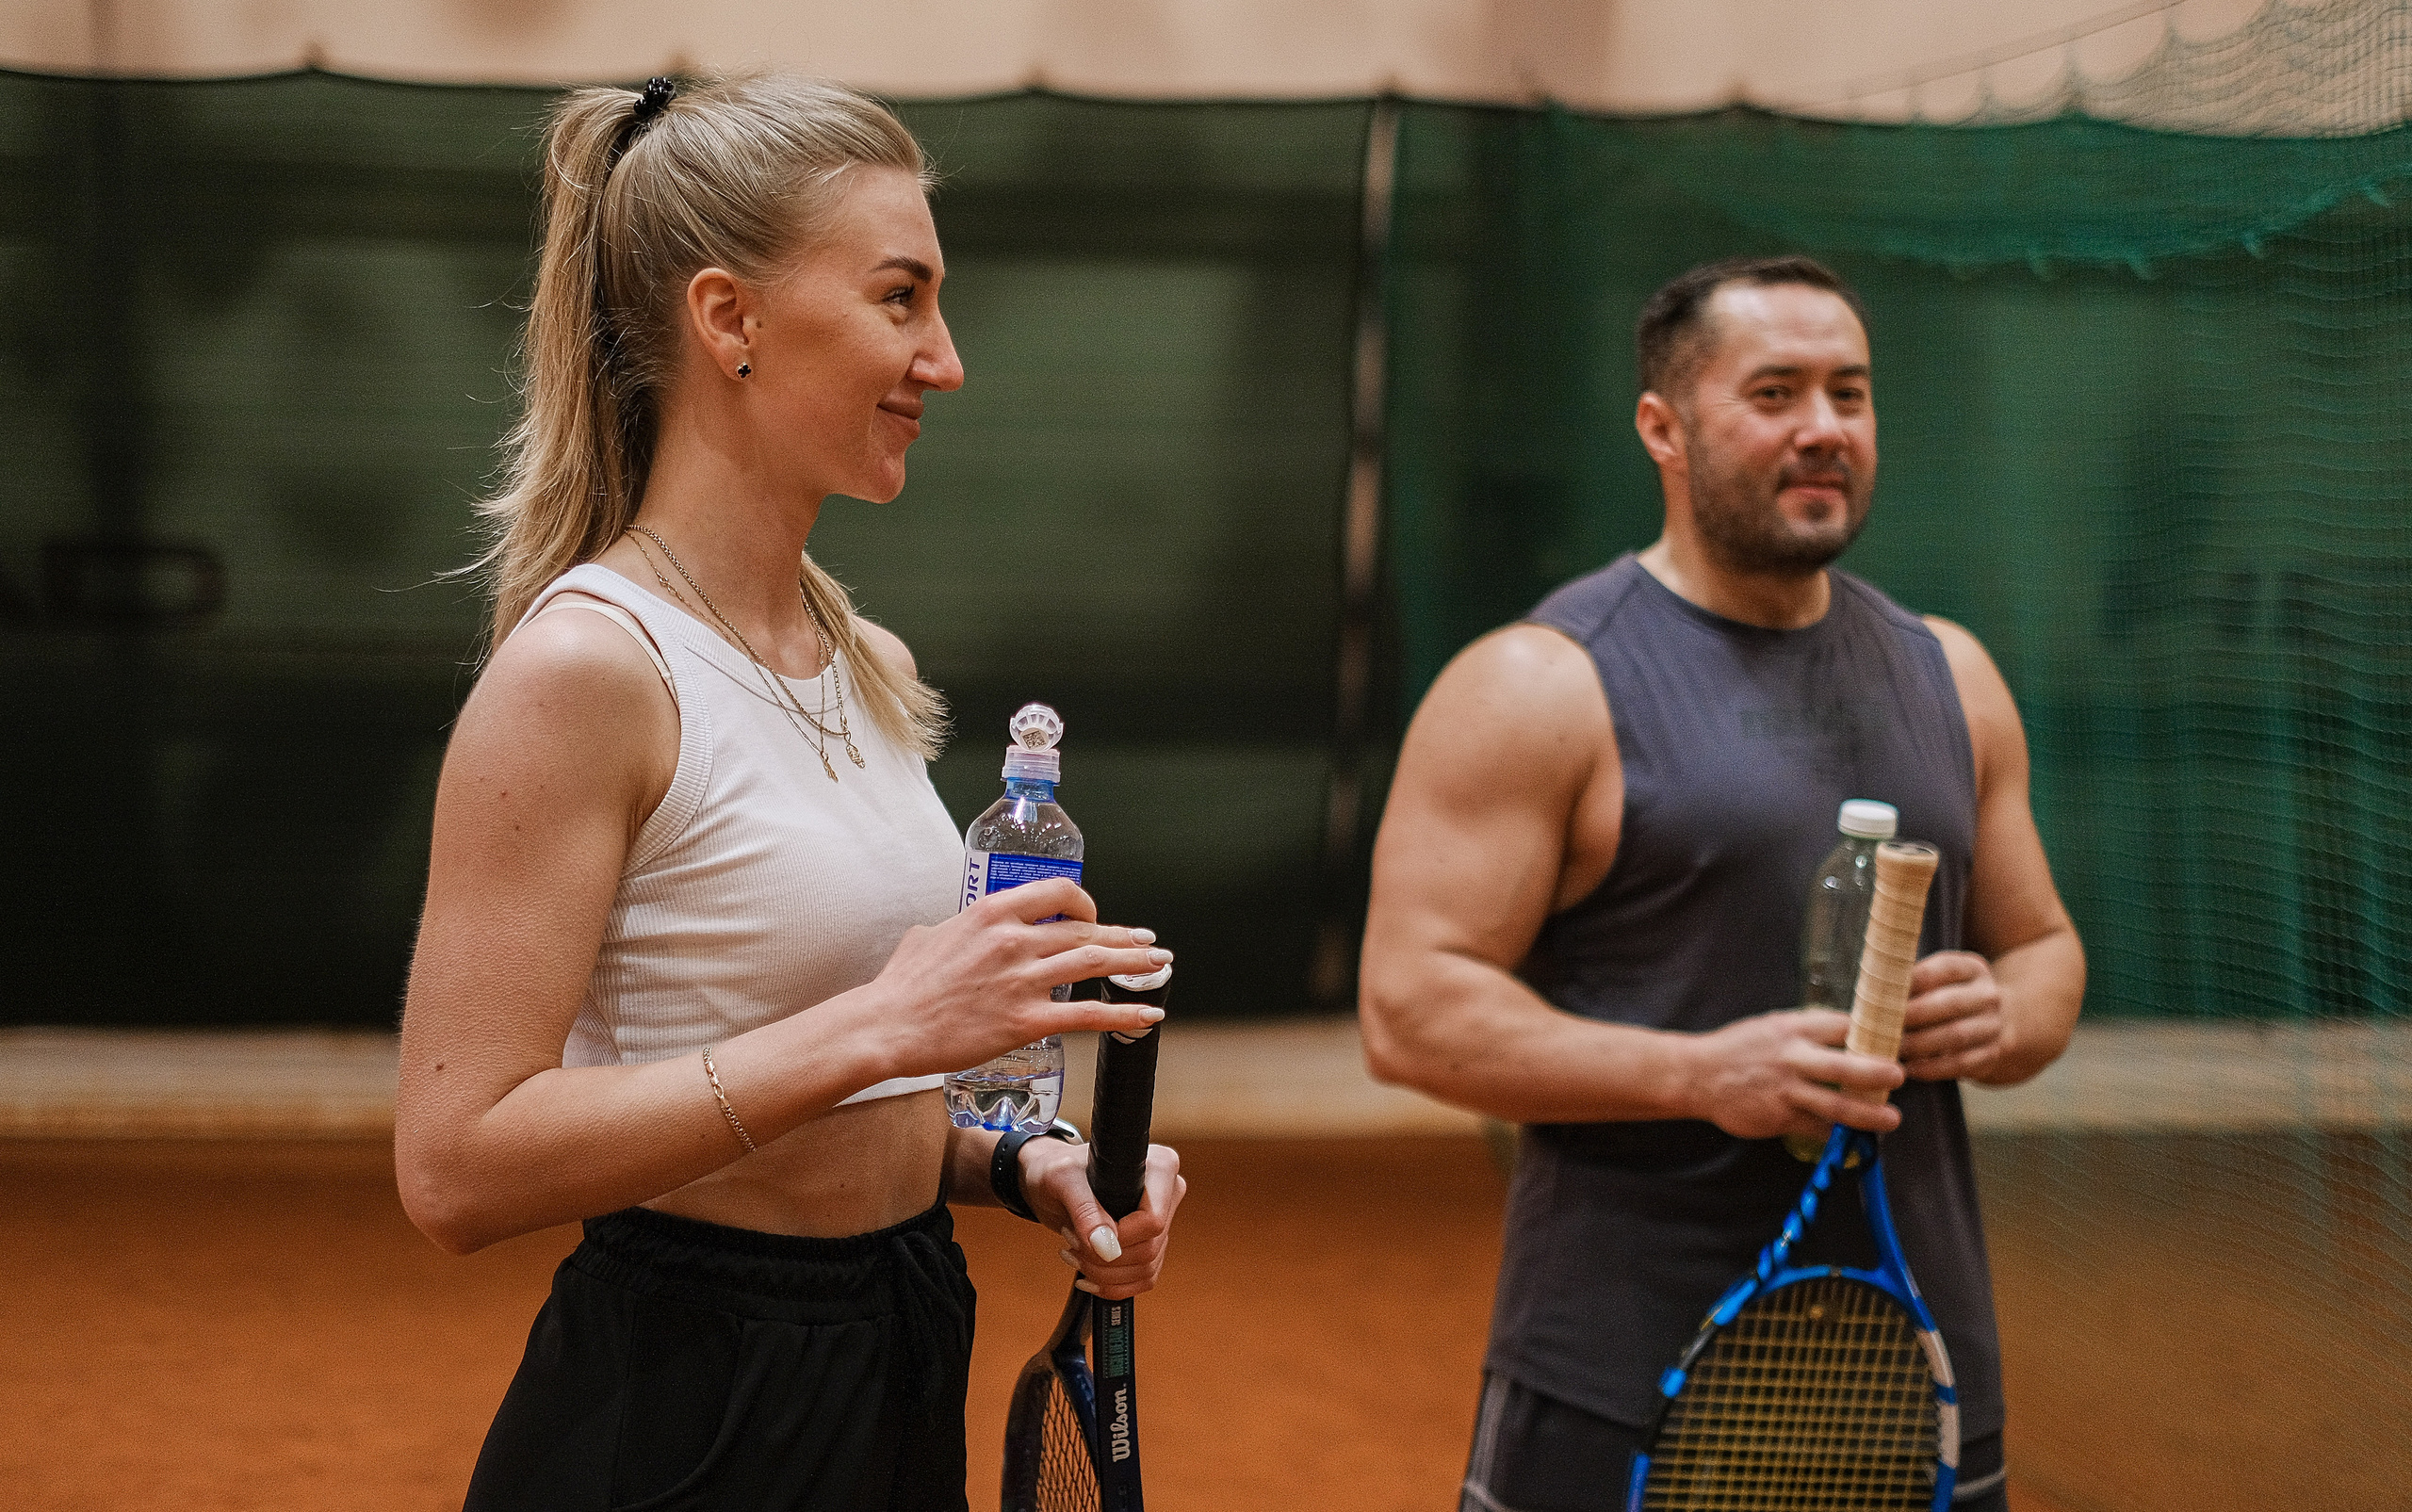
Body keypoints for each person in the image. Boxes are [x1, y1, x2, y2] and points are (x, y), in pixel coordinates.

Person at [394, 73, 1184, 1512]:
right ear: (729, 319)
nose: (943, 360)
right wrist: (887, 1021)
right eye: (901, 299)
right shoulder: (586, 669)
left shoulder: (860, 658)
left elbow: (839, 1102)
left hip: (896, 1340)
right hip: (683, 1400)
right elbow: (458, 1165)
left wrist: (1022, 1169)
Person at [1359, 255, 2084, 1512]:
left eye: (1849, 396)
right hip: (1621, 1372)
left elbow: (2049, 953)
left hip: (1917, 1372)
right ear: (1664, 427)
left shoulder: (1949, 673)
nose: (1823, 429)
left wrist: (2009, 1016)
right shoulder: (1538, 684)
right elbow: (1408, 1011)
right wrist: (1698, 1075)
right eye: (1775, 393)